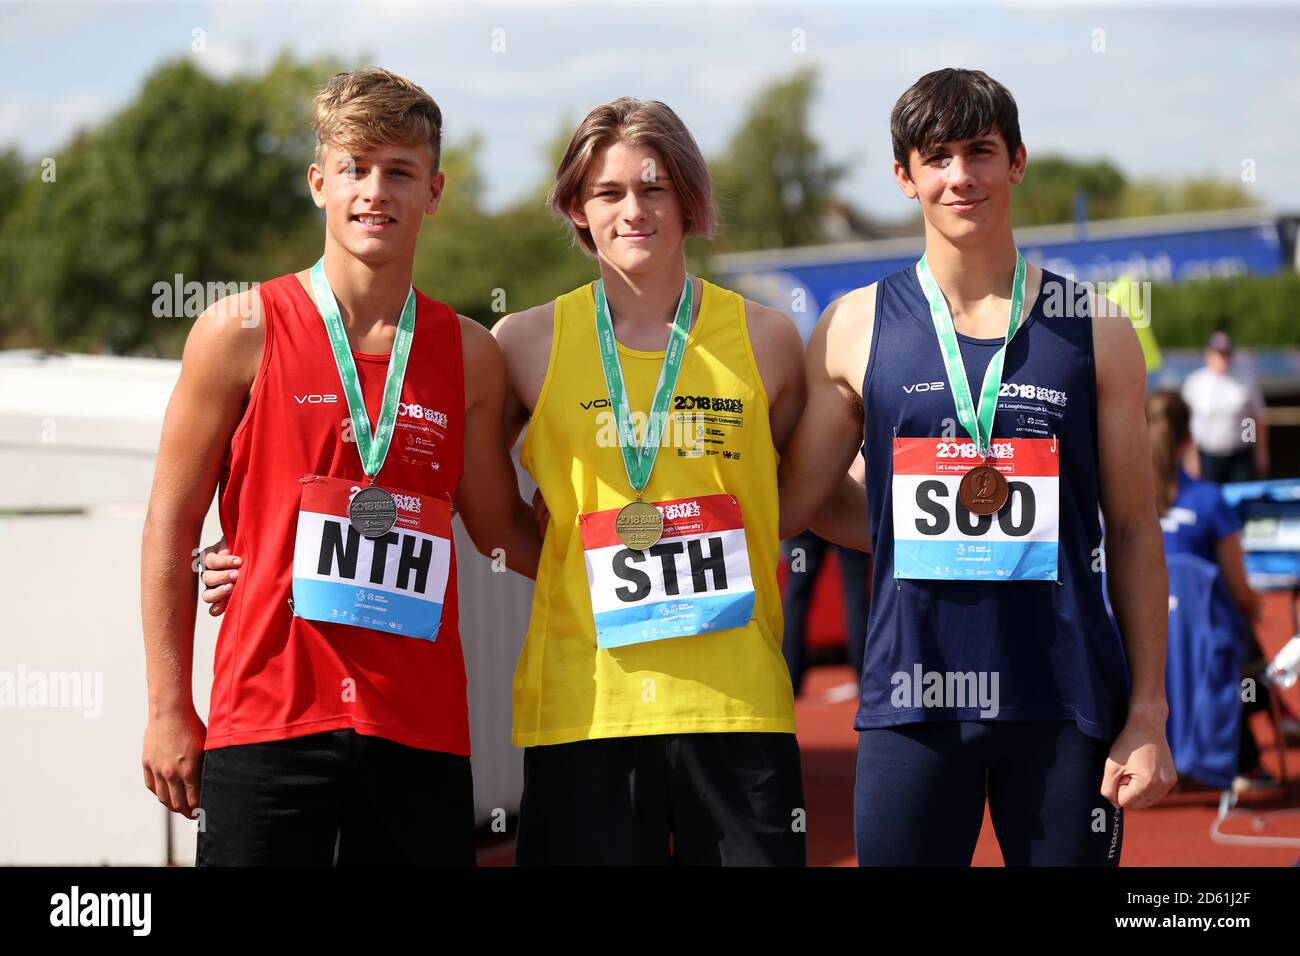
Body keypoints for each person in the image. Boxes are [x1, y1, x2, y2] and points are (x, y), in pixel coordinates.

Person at [205, 97, 810, 866]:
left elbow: (805, 492)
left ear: (689, 196)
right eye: (608, 193)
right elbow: (461, 502)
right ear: (576, 209)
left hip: (739, 710)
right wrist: (241, 550)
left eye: (653, 188)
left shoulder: (771, 341)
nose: (634, 210)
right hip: (583, 711)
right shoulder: (520, 342)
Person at [140, 67, 540, 866]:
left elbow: (500, 531)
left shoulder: (468, 354)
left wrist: (618, 550)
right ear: (319, 183)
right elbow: (171, 526)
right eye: (354, 168)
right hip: (269, 719)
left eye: (399, 170)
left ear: (435, 190)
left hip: (416, 729)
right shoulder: (238, 331)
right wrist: (167, 709)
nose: (374, 191)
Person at [778, 68, 1176, 866]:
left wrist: (1148, 714)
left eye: (980, 152)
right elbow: (801, 506)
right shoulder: (854, 326)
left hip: (1064, 704)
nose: (961, 176)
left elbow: (1132, 527)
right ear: (904, 176)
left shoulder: (1095, 327)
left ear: (1017, 162)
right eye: (937, 157)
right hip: (912, 701)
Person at [1146, 389, 1280, 792]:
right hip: (1200, 649)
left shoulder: (1117, 502)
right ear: (1189, 439)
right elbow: (1241, 590)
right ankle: (1247, 758)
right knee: (1242, 646)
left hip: (1132, 643)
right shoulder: (1208, 501)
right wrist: (1253, 607)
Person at [1182, 331, 1269, 483]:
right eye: (1219, 353)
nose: (1223, 358)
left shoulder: (1246, 380)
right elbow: (1187, 424)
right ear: (1209, 355)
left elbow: (1258, 418)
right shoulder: (1195, 382)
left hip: (1241, 455)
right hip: (1209, 456)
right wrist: (1191, 457)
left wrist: (1261, 452)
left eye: (1226, 353)